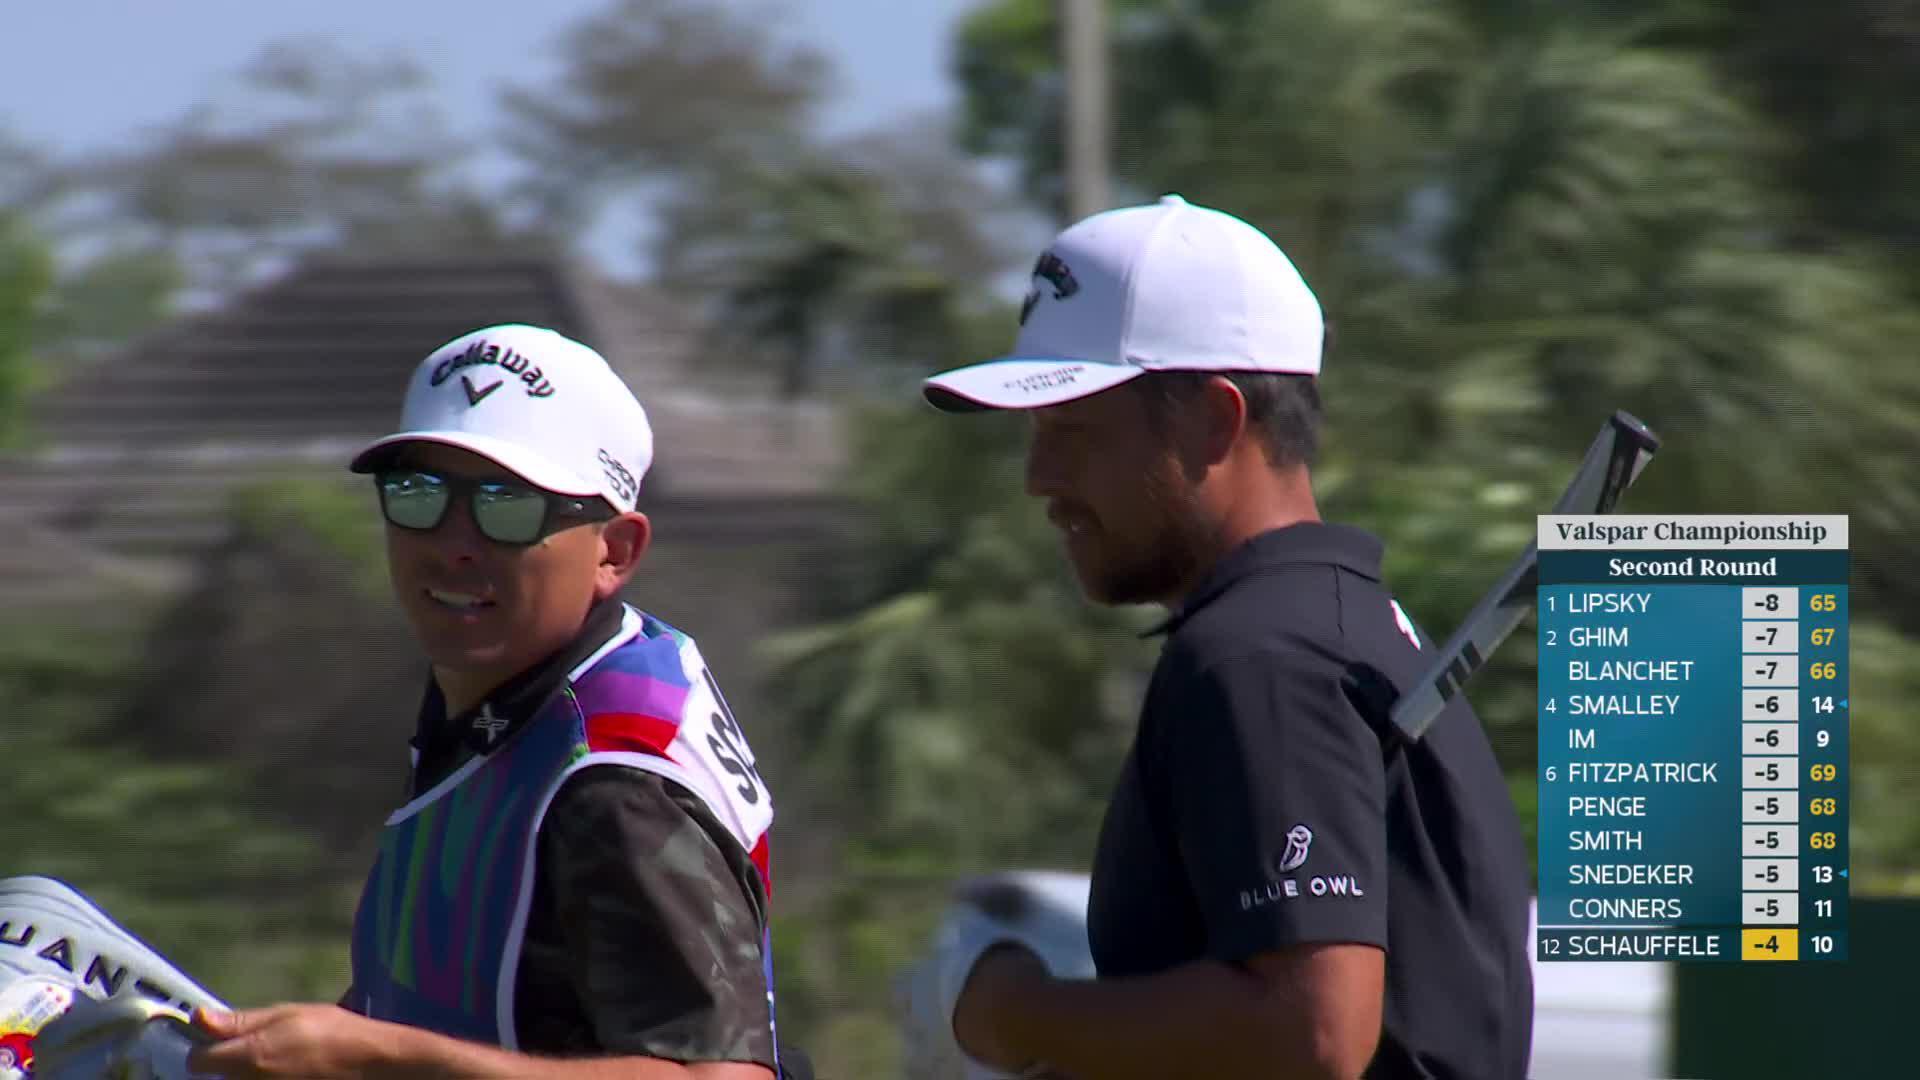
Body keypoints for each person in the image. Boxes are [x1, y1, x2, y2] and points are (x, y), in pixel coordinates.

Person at [919, 196, 1535, 1079]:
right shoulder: (1342, 628)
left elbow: (1313, 1029)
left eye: (1072, 431)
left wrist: (1022, 1018)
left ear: (1216, 419)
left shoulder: (1261, 658)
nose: (1039, 478)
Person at [184, 324, 804, 1079]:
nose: (453, 544)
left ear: (615, 551)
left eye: (507, 507)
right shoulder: (514, 688)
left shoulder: (616, 783)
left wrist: (381, 1059)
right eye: (418, 494)